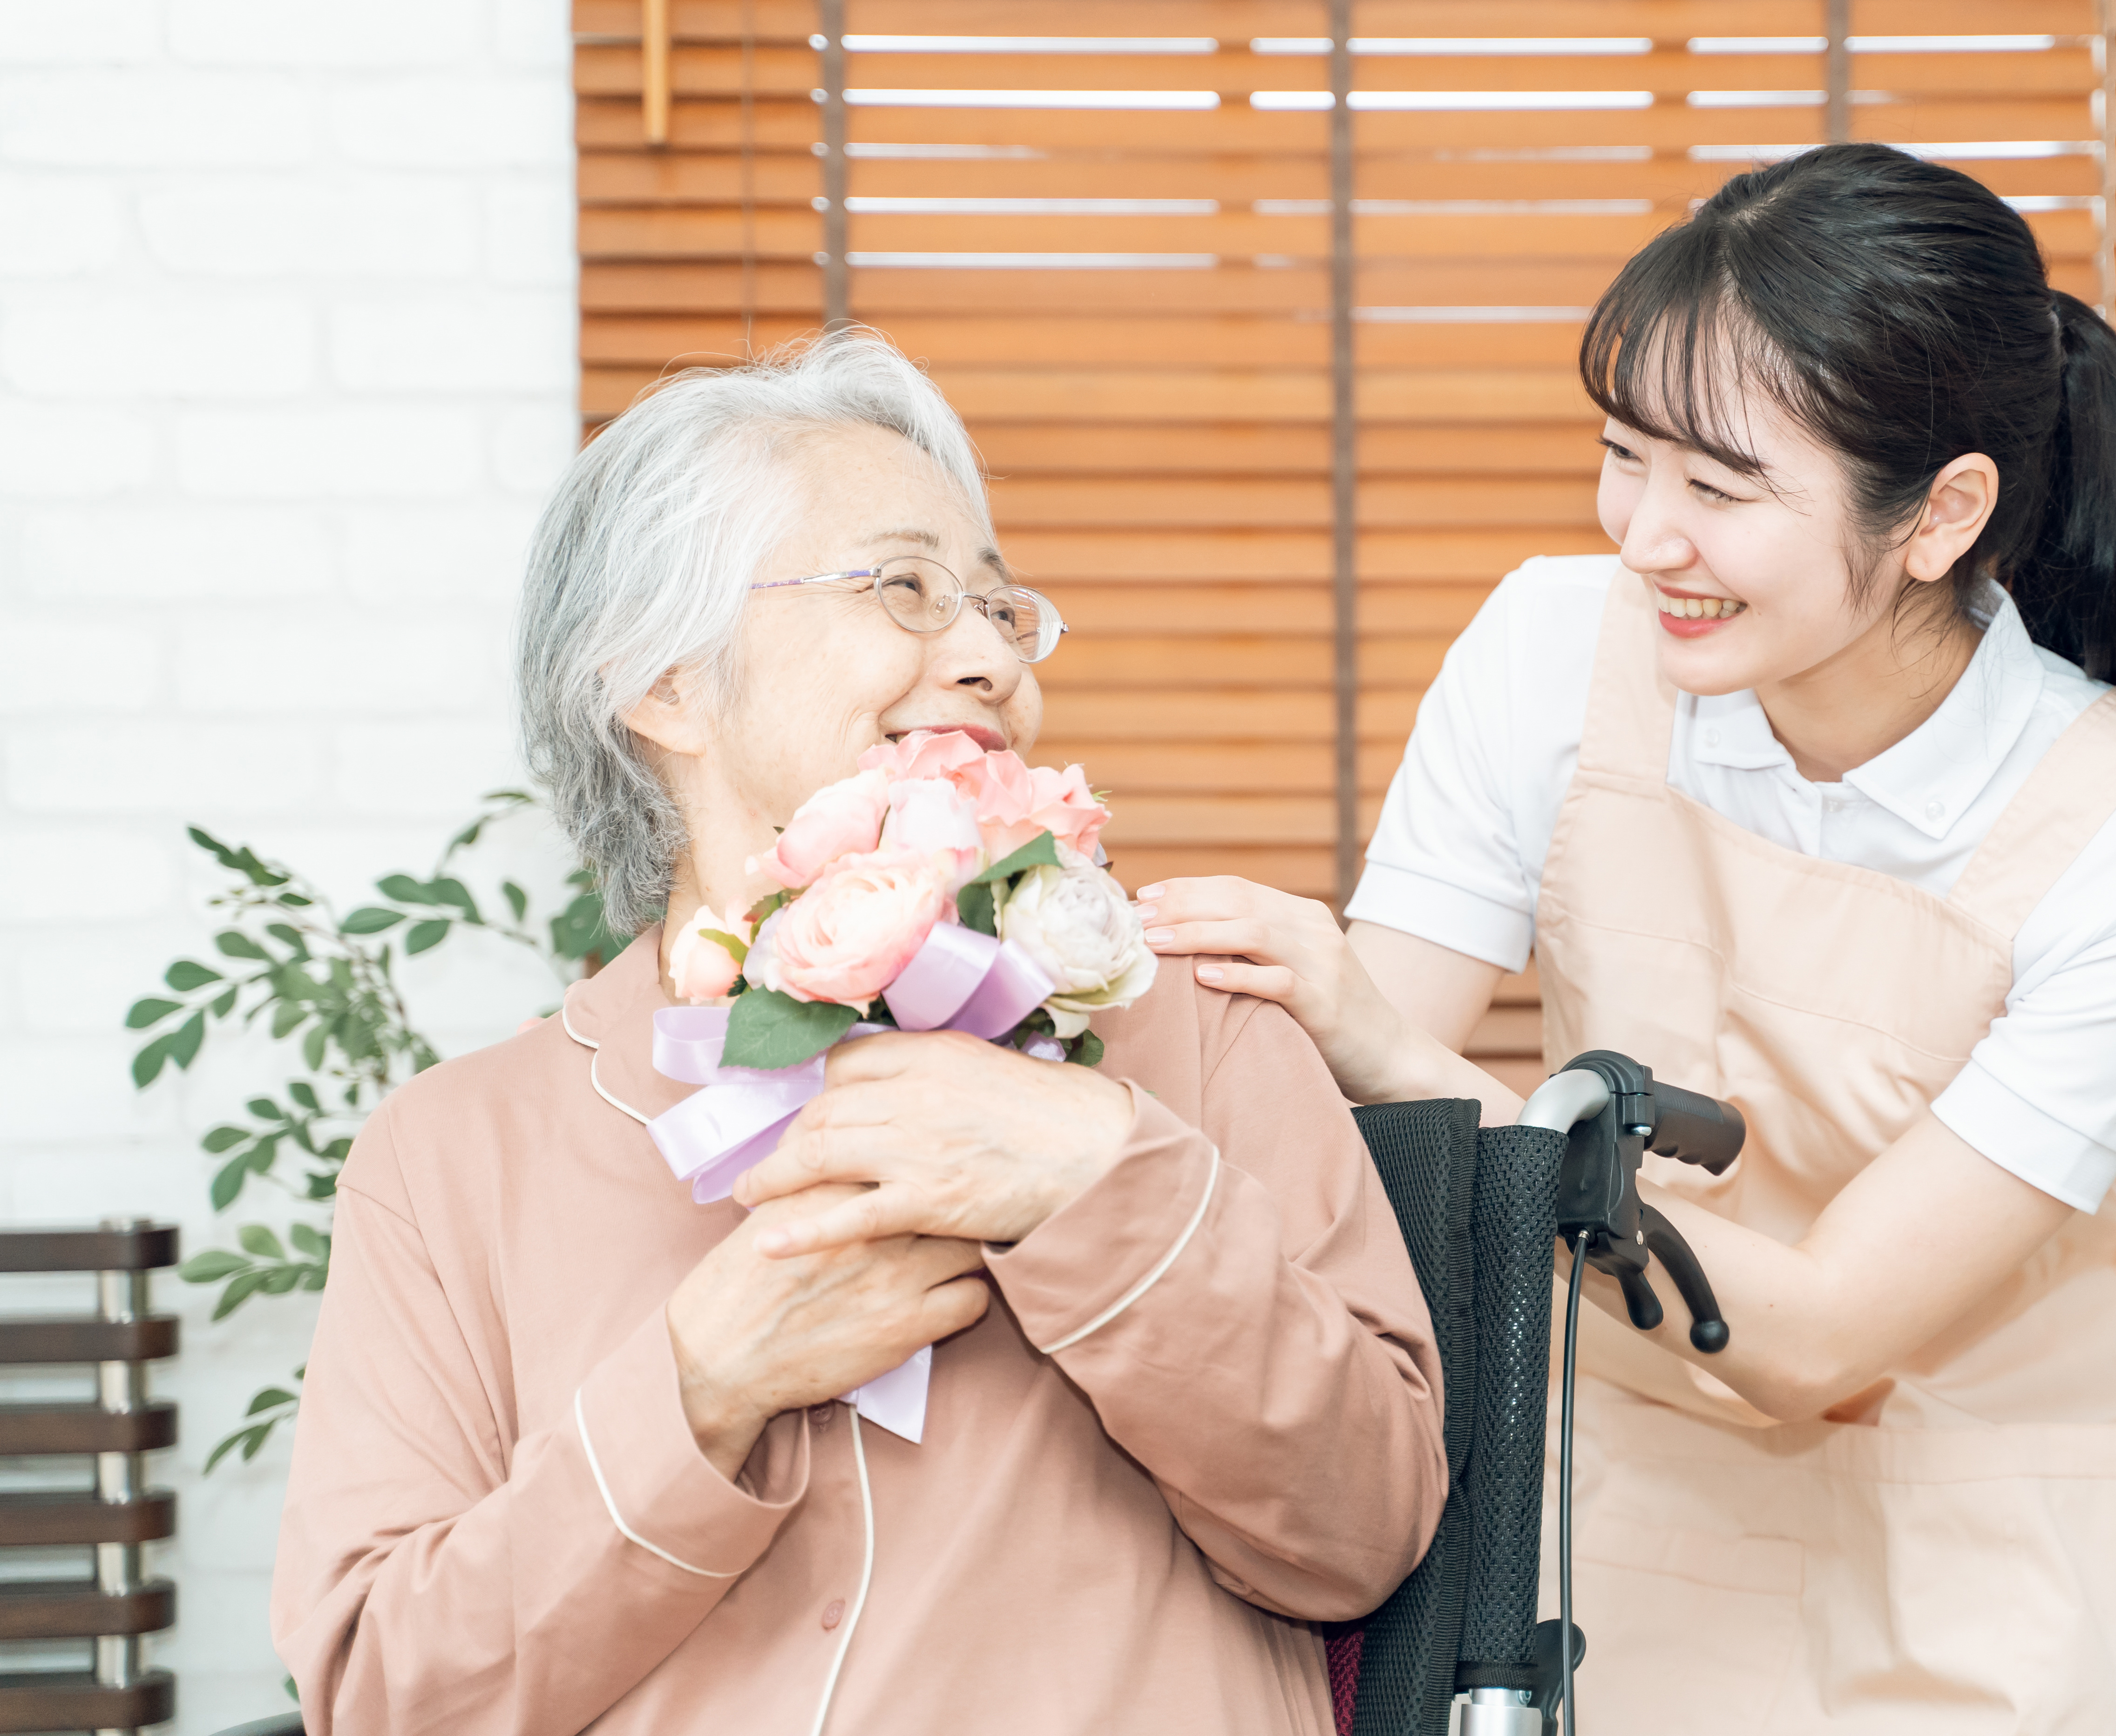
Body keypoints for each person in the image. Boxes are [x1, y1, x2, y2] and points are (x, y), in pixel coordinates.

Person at [1138, 143, 2116, 1730]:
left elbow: (1829, 1330)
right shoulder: (1550, 648)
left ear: (1939, 513)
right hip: (1619, 1449)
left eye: (1718, 486)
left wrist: (1388, 1048)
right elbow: (1346, 1100)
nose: (1644, 535)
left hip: (2006, 1482)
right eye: (1626, 455)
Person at [271, 333, 1445, 1736]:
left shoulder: (1198, 1029)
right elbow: (389, 1696)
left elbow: (1359, 1531)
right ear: (663, 682)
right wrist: (700, 1390)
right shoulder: (451, 1157)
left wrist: (1100, 1188)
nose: (989, 659)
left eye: (1002, 611)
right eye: (904, 588)